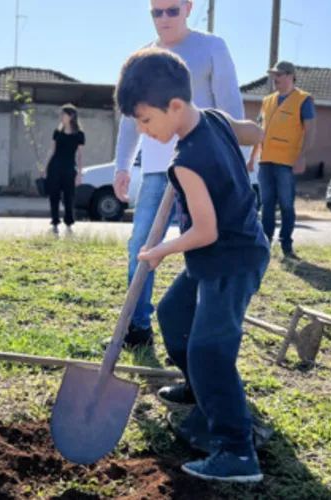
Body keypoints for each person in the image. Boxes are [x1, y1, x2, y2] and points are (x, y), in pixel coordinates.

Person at [116, 47, 269, 484]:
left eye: (146, 121)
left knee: (210, 350)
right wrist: (258, 136)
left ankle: (237, 451)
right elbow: (251, 132)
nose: (144, 132)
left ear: (176, 106)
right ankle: (200, 389)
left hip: (231, 259)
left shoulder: (186, 164)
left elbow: (205, 231)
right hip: (222, 252)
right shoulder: (215, 119)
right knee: (172, 314)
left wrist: (160, 249)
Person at [109, 0, 245, 351]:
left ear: (188, 7)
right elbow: (129, 119)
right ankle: (137, 327)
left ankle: (199, 330)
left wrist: (238, 160)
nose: (164, 18)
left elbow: (231, 108)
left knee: (203, 246)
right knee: (141, 246)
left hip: (203, 167)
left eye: (172, 10)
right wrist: (122, 164)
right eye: (157, 12)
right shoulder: (143, 57)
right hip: (157, 171)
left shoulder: (212, 47)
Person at [247, 60, 316, 260]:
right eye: (273, 75)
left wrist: (302, 156)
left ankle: (287, 245)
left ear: (290, 76)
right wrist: (253, 157)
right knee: (266, 203)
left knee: (286, 204)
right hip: (266, 161)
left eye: (279, 75)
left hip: (287, 162)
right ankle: (265, 242)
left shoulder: (304, 100)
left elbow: (310, 131)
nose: (275, 79)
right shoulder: (267, 101)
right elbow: (260, 131)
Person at [40, 104, 85, 233]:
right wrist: (44, 167)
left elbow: (81, 155)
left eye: (63, 114)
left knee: (69, 197)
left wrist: (80, 173)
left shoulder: (79, 134)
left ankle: (69, 223)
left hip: (70, 169)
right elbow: (51, 150)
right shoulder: (57, 132)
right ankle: (54, 222)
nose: (60, 117)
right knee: (53, 196)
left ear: (70, 116)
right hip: (54, 168)